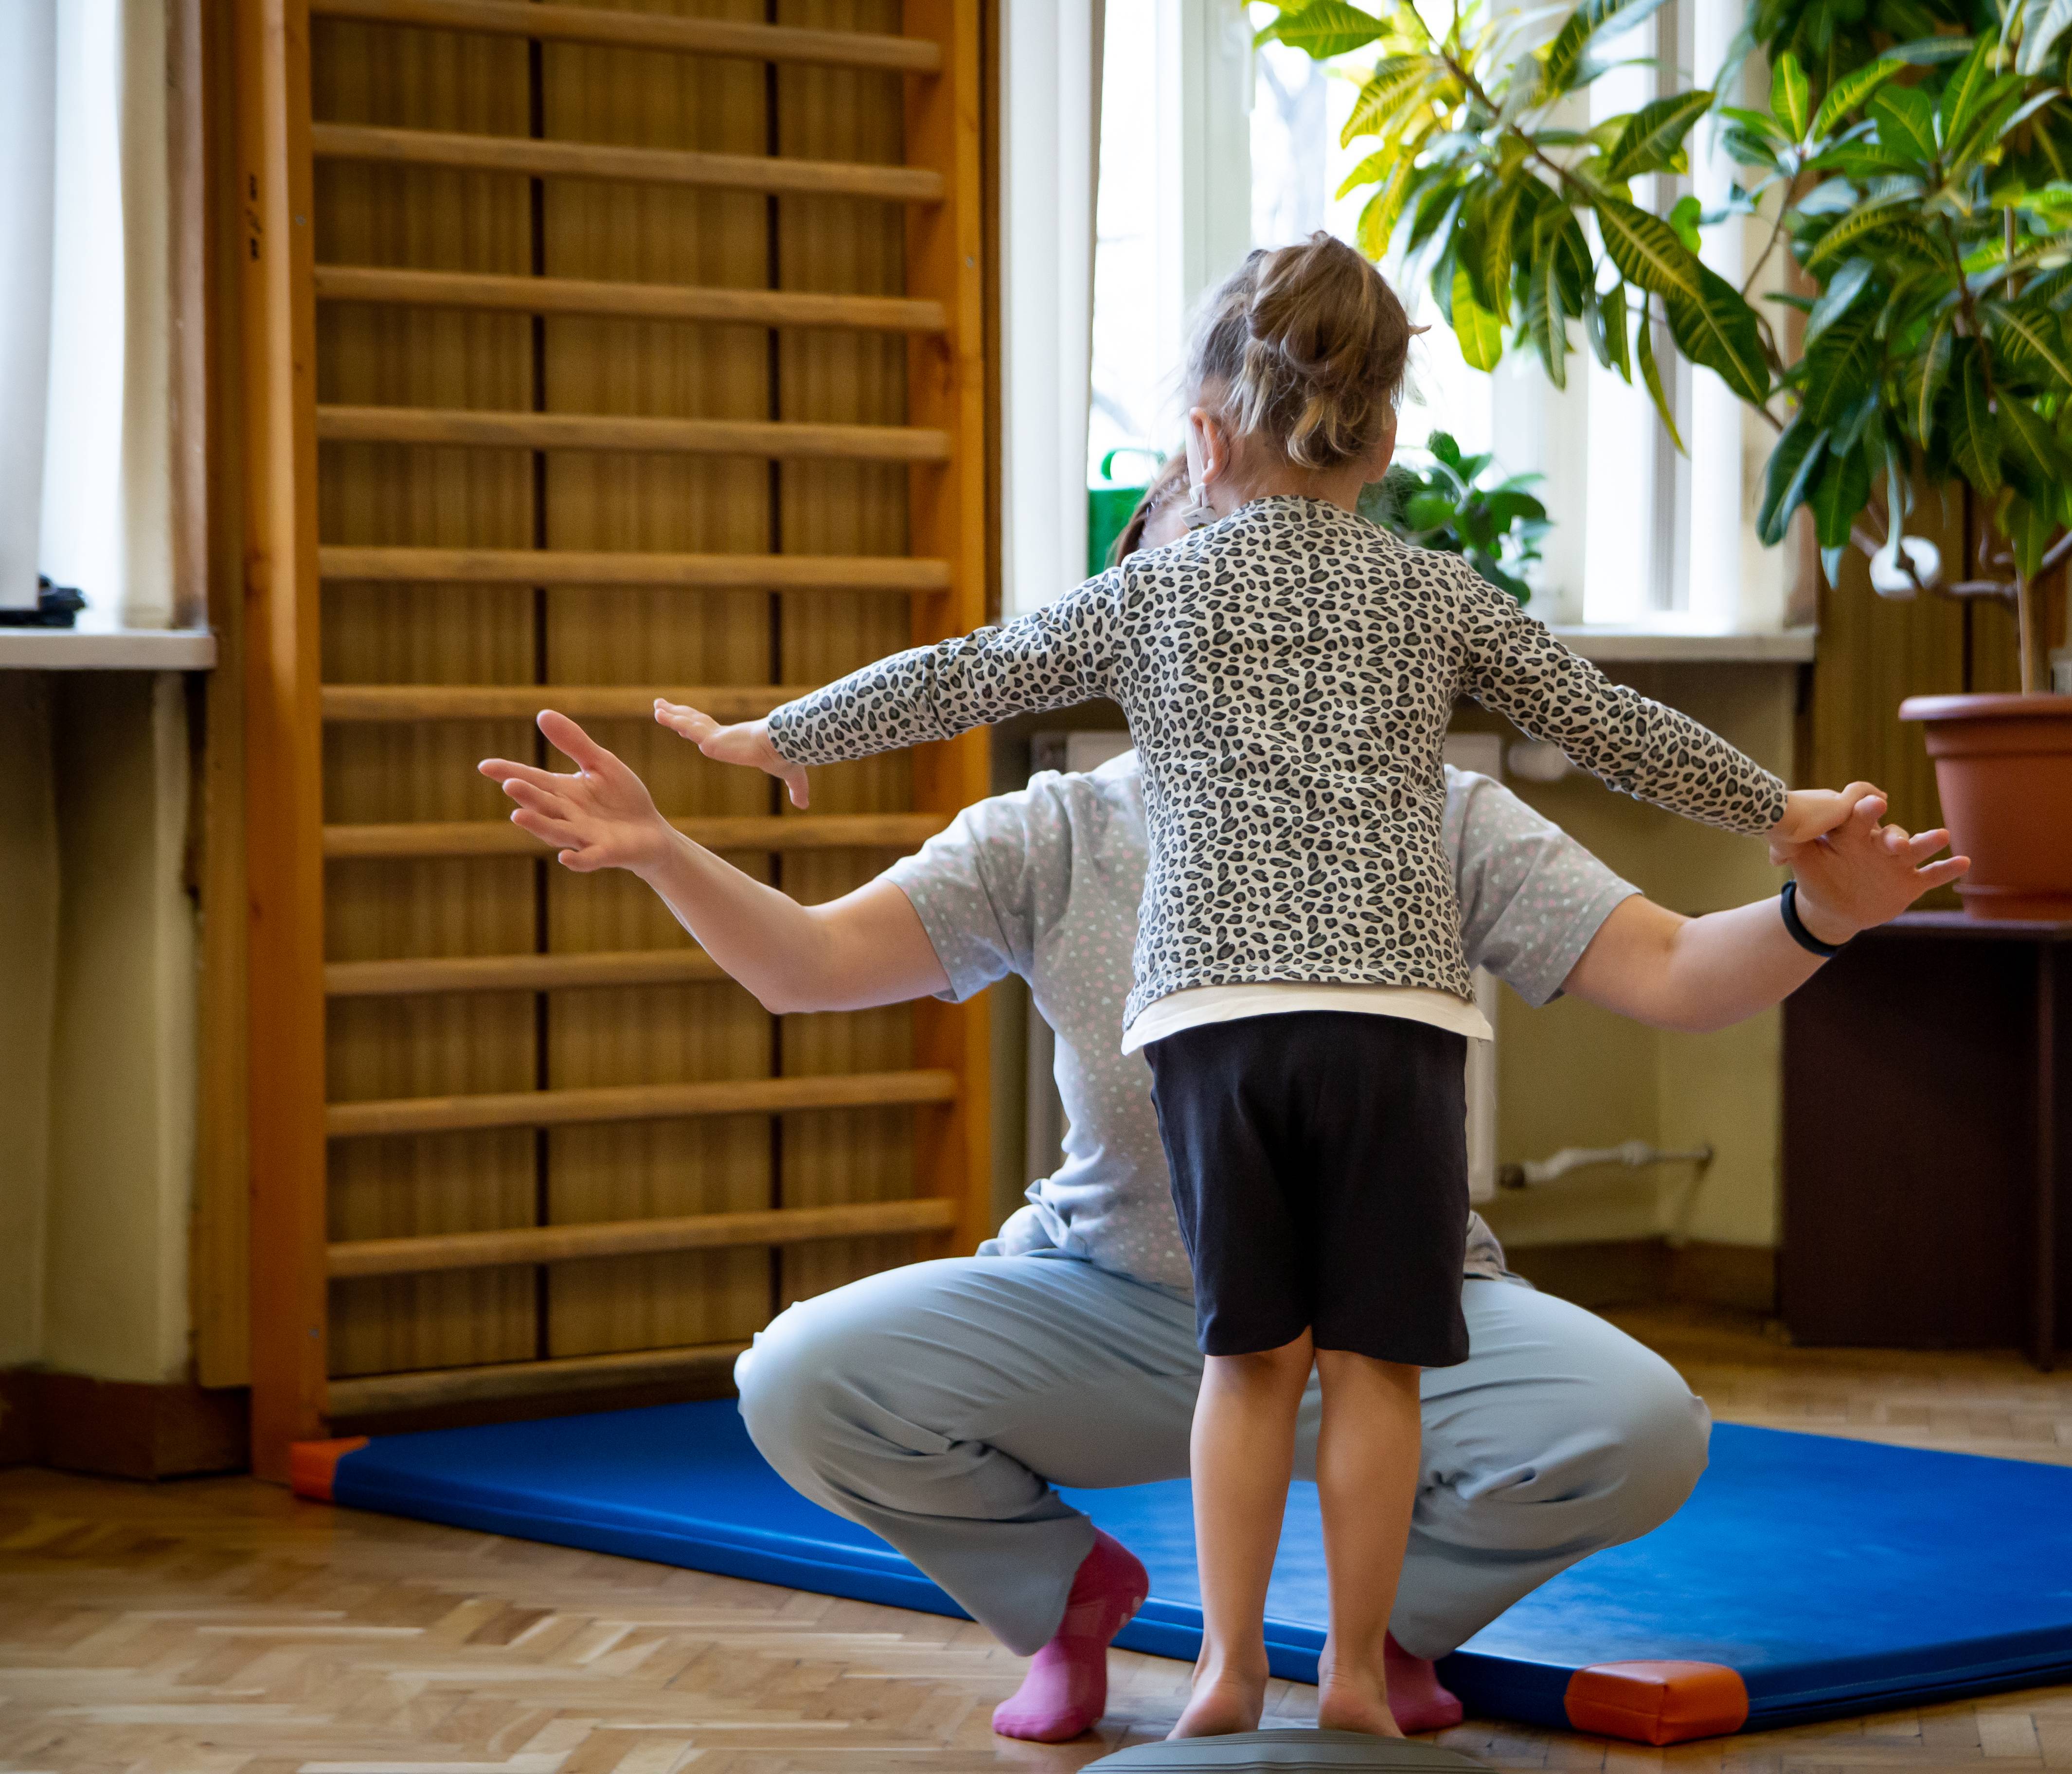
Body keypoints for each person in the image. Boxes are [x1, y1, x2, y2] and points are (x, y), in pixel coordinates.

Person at [635, 234, 1871, 1740]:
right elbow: (1608, 723)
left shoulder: (1161, 596)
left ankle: (1251, 1667)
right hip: (1366, 1052)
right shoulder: (1426, 600)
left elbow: (970, 671)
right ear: (1386, 437)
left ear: (1207, 444)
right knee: (1365, 1370)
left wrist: (782, 737)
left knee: (1260, 1360)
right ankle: (1317, 1666)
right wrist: (1780, 807)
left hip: (1215, 1023)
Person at [479, 693, 1963, 1741]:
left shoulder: (1440, 813)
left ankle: (1385, 1634)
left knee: (1638, 1429)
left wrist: (1822, 914)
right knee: (803, 1376)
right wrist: (665, 850)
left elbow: (1675, 972)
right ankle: (1064, 1603)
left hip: (1401, 1323)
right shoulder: (1060, 831)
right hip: (1116, 1305)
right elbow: (808, 966)